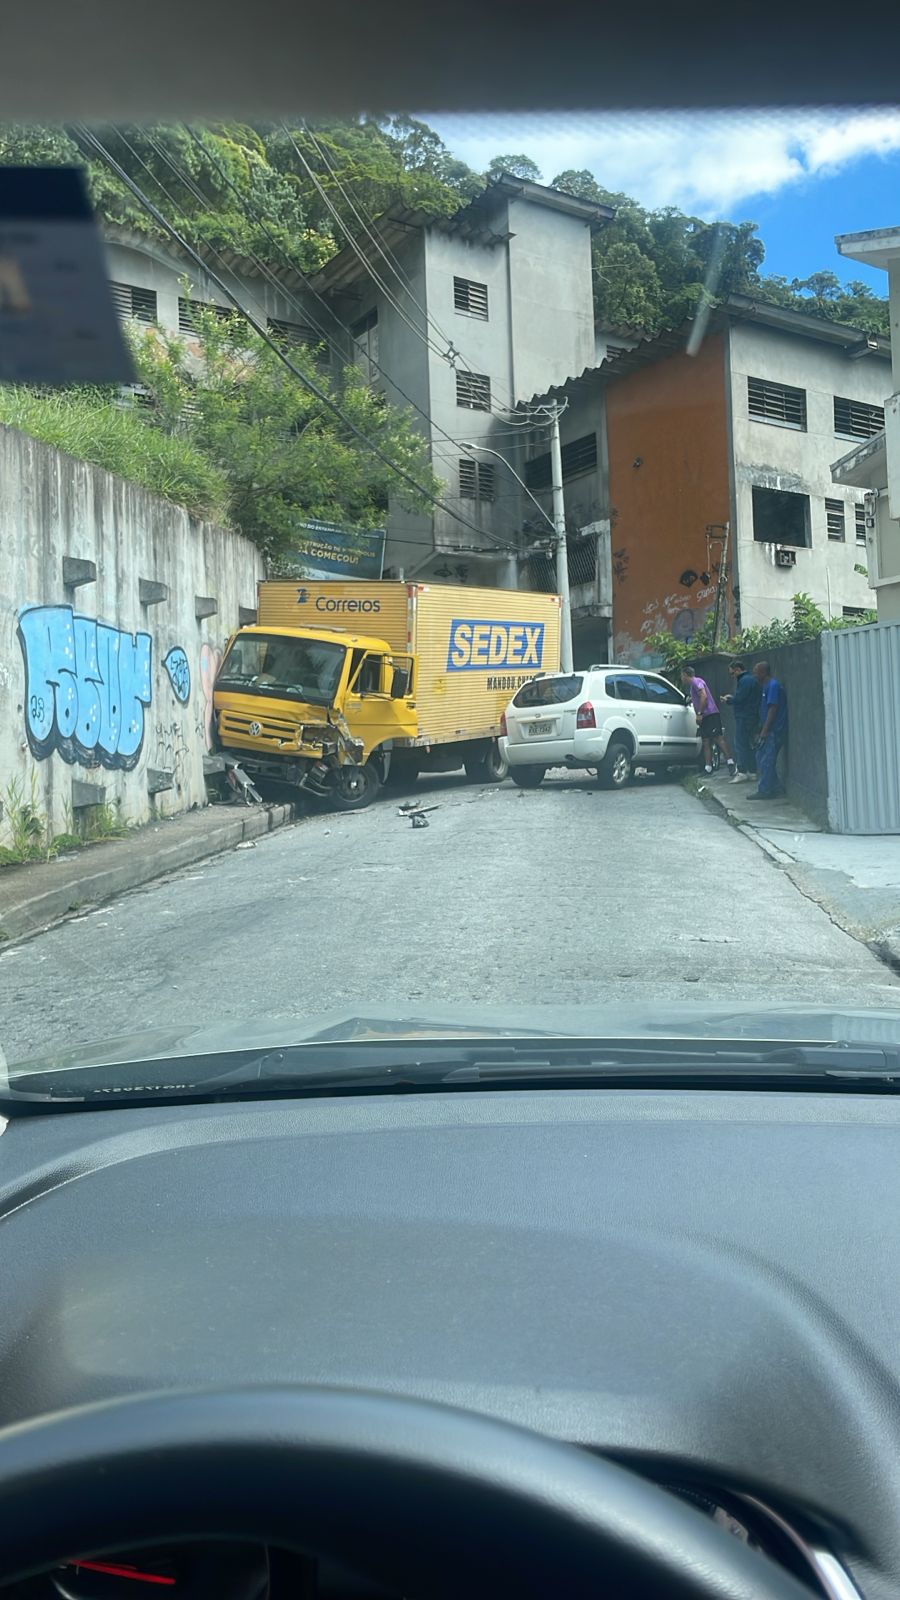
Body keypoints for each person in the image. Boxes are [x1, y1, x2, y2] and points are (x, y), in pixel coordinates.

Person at [680, 665, 736, 778]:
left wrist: (700, 713)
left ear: (686, 675)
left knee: (718, 738)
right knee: (706, 741)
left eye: (682, 676)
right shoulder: (693, 686)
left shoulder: (696, 682)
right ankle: (708, 767)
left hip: (710, 714)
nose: (681, 678)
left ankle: (731, 763)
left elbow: (704, 696)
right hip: (705, 717)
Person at [747, 661, 788, 801]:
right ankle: (775, 786)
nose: (754, 675)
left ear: (763, 672)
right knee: (761, 757)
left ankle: (765, 790)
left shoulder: (773, 686)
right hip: (768, 730)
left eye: (756, 672)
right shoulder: (766, 687)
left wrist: (765, 730)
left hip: (774, 730)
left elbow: (773, 708)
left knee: (766, 760)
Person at [721, 660, 759, 782]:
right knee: (748, 745)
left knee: (741, 744)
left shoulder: (745, 680)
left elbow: (741, 699)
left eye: (732, 673)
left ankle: (743, 771)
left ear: (737, 669)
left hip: (745, 716)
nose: (732, 676)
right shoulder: (749, 680)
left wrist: (729, 700)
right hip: (750, 715)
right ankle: (752, 771)